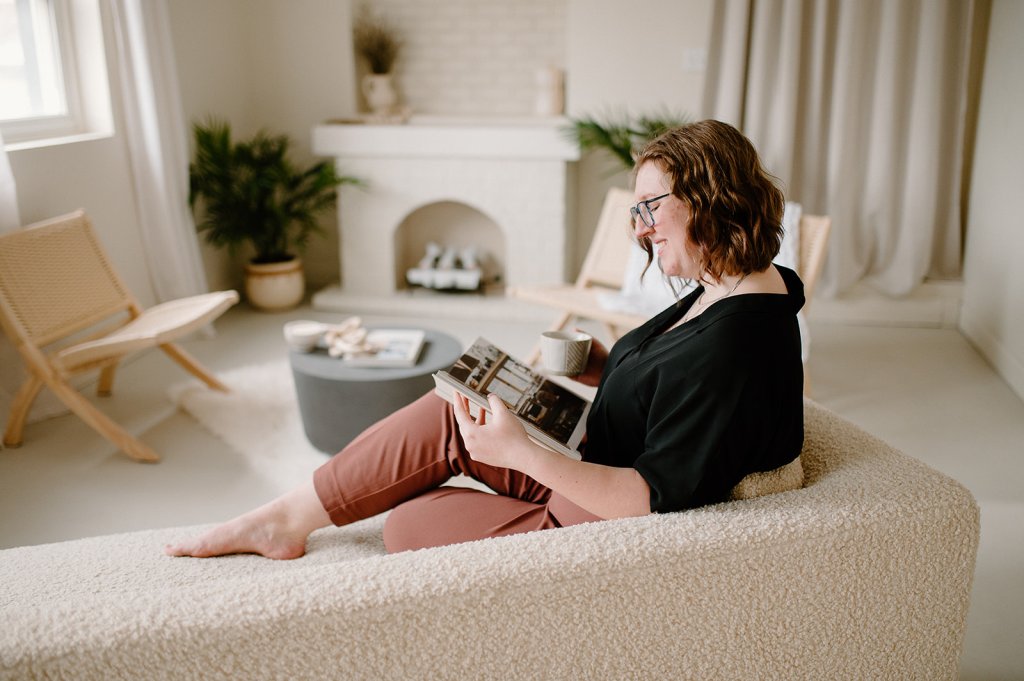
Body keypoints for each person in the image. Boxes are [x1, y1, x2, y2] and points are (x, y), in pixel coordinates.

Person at [165, 120, 804, 559]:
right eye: (635, 212)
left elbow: (650, 499)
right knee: (451, 407)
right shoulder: (732, 281)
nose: (638, 229)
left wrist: (522, 454)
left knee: (406, 525)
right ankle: (279, 519)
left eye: (648, 207)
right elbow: (678, 383)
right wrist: (604, 364)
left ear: (707, 197)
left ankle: (355, 501)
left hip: (597, 510)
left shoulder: (736, 345)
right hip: (596, 454)